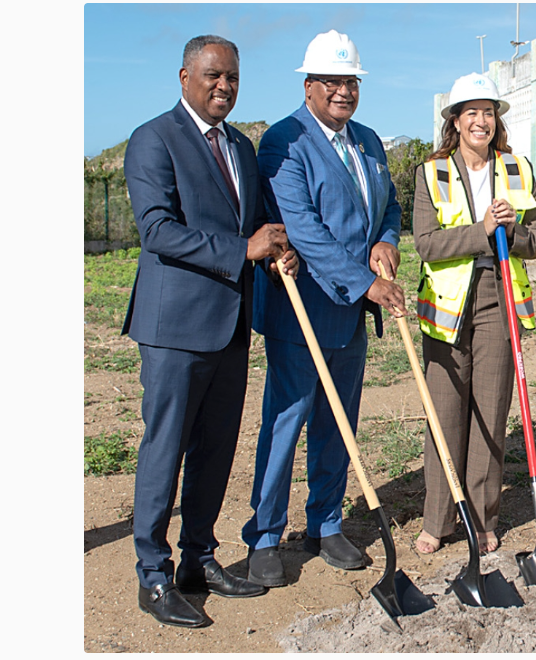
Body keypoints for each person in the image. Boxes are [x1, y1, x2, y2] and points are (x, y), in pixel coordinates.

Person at [123, 34, 297, 628]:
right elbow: (157, 230)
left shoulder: (241, 147)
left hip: (230, 325)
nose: (224, 86)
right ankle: (153, 573)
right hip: (175, 327)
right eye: (213, 76)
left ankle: (198, 558)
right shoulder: (154, 139)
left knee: (216, 448)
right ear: (185, 78)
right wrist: (242, 249)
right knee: (166, 448)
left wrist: (274, 249)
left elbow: (254, 223)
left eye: (233, 78)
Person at [242, 30, 407, 587]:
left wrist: (386, 239)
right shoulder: (284, 142)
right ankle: (265, 534)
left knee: (339, 422)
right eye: (332, 82)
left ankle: (326, 521)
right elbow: (305, 230)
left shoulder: (368, 141)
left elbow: (390, 206)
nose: (343, 91)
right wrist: (365, 284)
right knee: (286, 421)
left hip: (351, 313)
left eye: (351, 82)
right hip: (302, 306)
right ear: (308, 85)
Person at [411, 73, 536, 555]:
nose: (481, 121)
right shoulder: (431, 172)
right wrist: (482, 229)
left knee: (490, 410)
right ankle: (438, 519)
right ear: (455, 120)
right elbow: (426, 244)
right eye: (471, 112)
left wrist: (514, 232)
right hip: (448, 306)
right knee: (445, 413)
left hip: (498, 295)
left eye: (488, 112)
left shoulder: (518, 168)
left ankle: (482, 517)